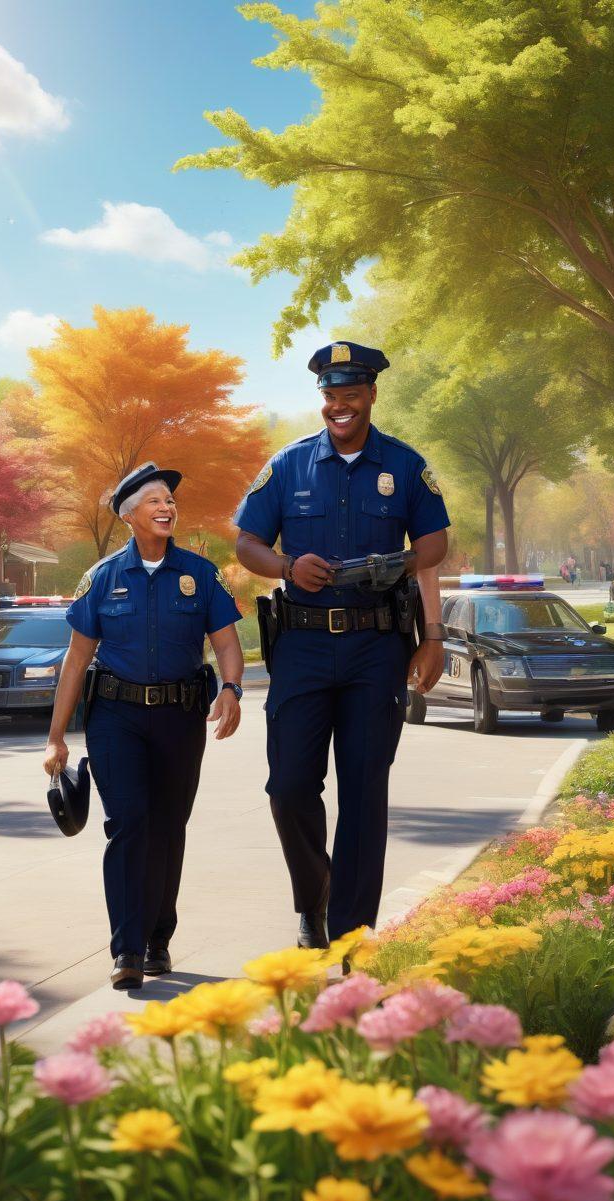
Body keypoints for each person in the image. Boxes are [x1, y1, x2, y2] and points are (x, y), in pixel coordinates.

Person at [234, 341, 449, 947]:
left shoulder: (405, 466)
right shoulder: (289, 465)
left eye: (351, 395)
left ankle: (354, 933)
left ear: (372, 395)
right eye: (330, 396)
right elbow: (246, 543)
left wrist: (406, 575)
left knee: (363, 790)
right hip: (301, 647)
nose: (339, 406)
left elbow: (437, 546)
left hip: (376, 647)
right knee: (290, 785)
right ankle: (315, 897)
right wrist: (284, 566)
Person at [43, 462, 244, 990]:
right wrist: (56, 737)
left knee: (167, 827)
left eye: (171, 502)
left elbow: (226, 641)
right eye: (155, 501)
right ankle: (126, 950)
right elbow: (76, 659)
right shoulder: (103, 578)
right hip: (117, 718)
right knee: (129, 824)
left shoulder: (199, 574)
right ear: (130, 515)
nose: (167, 508)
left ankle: (159, 937)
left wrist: (231, 688)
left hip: (181, 718)